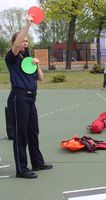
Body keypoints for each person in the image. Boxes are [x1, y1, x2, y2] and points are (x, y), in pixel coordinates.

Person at [5, 15, 52, 179]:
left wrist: (37, 64)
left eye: (27, 41)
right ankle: (21, 169)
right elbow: (17, 44)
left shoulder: (28, 60)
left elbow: (41, 78)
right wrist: (27, 25)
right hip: (19, 98)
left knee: (33, 131)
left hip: (31, 99)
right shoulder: (11, 58)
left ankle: (37, 163)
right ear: (15, 43)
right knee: (21, 134)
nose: (25, 43)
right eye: (22, 41)